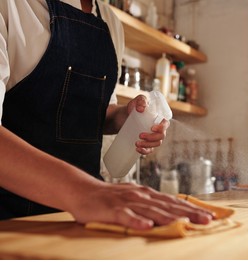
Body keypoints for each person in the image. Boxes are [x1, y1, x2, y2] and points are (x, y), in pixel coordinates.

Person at [0, 0, 214, 229]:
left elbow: (95, 112)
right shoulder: (12, 6)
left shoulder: (109, 21)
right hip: (11, 216)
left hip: (90, 217)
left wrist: (125, 116)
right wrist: (86, 192)